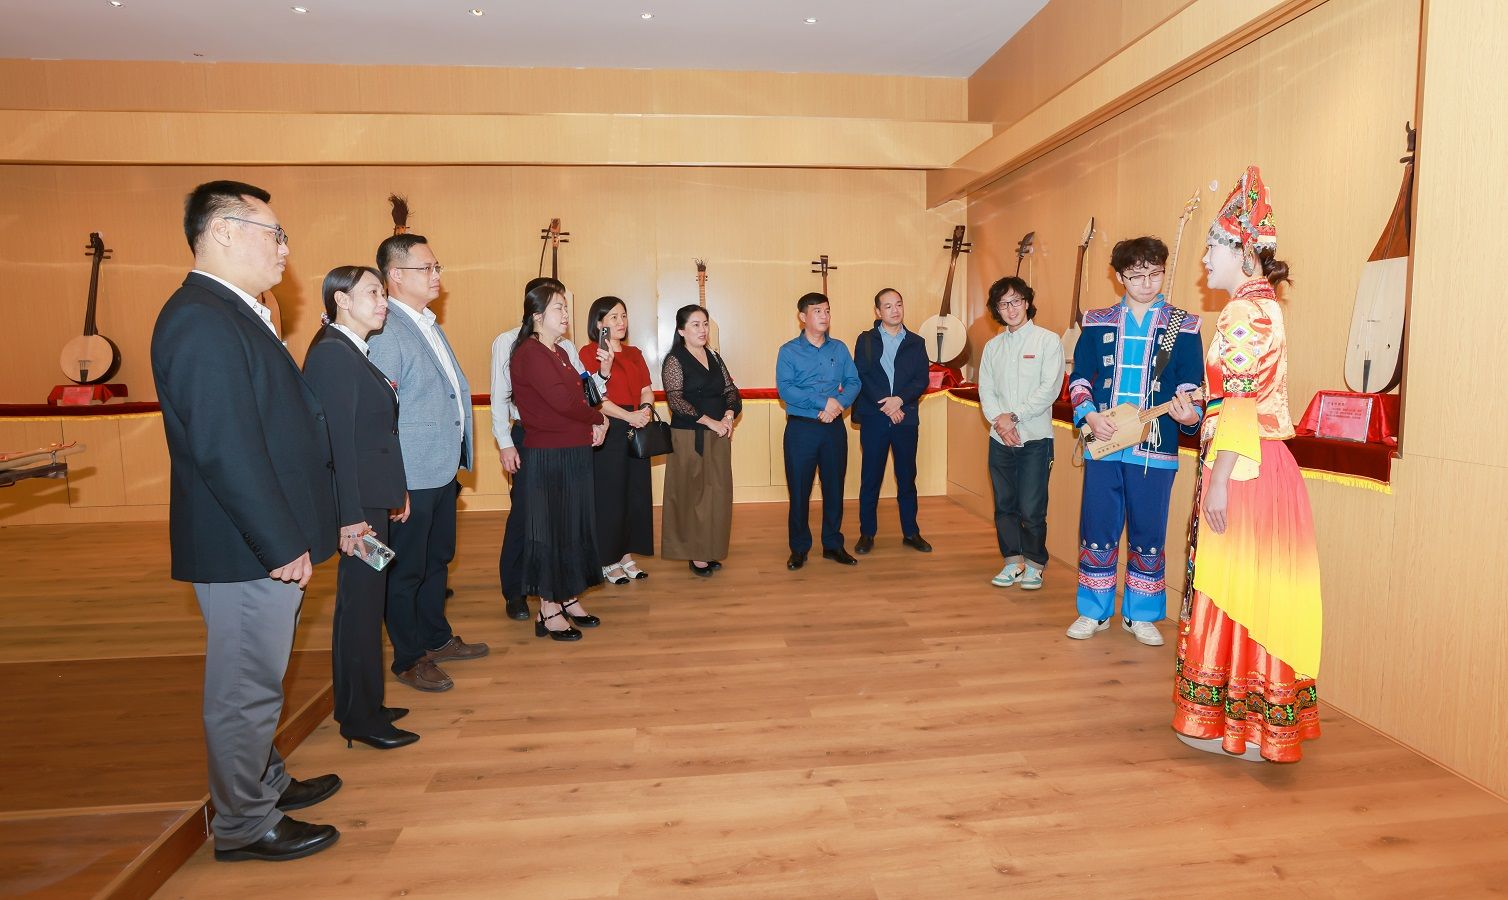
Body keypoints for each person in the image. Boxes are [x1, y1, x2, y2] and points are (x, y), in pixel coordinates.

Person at [150, 180, 341, 862]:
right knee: (243, 689)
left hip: (259, 539)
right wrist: (279, 541)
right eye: (274, 233)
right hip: (246, 546)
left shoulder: (230, 311)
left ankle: (265, 783)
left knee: (260, 678)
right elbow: (225, 447)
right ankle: (242, 824)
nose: (285, 248)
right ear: (224, 231)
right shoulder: (201, 319)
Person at [1173, 166, 1322, 763]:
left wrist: (1218, 483)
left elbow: (1240, 402)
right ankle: (1251, 723)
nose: (1204, 258)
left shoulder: (1244, 313)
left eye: (1211, 247)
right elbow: (1237, 395)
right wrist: (1199, 406)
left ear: (1241, 251)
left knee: (1235, 588)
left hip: (1245, 470)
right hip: (1254, 461)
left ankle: (1232, 724)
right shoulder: (1259, 308)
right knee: (1254, 590)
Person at [302, 266, 420, 751]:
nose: (383, 301)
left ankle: (365, 703)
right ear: (341, 300)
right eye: (373, 292)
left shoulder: (351, 350)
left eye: (382, 293)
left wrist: (395, 490)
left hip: (370, 502)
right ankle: (359, 717)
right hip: (359, 513)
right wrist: (350, 517)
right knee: (360, 609)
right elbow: (337, 446)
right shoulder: (333, 355)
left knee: (366, 605)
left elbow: (375, 436)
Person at [1066, 235, 1204, 646]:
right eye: (1136, 275)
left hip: (1156, 446)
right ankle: (1094, 610)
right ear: (1120, 277)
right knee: (1097, 526)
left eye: (1155, 274)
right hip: (1105, 441)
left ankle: (1140, 614)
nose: (1146, 283)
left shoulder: (1183, 324)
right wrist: (1089, 415)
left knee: (1149, 530)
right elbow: (1080, 377)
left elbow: (1191, 384)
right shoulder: (1097, 320)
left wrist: (1190, 414)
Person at [368, 232, 487, 693]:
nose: (437, 275)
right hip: (411, 477)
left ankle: (436, 637)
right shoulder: (387, 330)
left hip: (440, 468)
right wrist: (393, 485)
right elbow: (381, 417)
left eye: (437, 267)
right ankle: (408, 657)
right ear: (395, 275)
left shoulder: (427, 324)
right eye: (427, 268)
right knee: (405, 570)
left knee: (437, 560)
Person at [490, 278, 611, 620]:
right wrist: (505, 442)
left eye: (566, 305)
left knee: (566, 525)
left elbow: (585, 393)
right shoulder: (516, 345)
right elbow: (501, 396)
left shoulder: (563, 348)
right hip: (532, 438)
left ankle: (566, 595)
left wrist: (603, 373)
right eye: (559, 306)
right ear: (537, 311)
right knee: (529, 521)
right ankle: (519, 593)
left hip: (569, 440)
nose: (566, 313)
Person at [978, 276, 1064, 590]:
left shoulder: (1047, 341)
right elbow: (986, 390)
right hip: (999, 438)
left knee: (1031, 507)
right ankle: (1012, 561)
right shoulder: (992, 347)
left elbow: (1049, 389)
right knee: (1004, 505)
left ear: (1026, 302)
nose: (1011, 308)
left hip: (1035, 438)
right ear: (996, 310)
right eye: (1003, 304)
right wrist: (1000, 423)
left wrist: (1014, 417)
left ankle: (1035, 564)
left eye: (1016, 301)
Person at [776, 292, 861, 570]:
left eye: (827, 310)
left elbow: (854, 382)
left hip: (833, 428)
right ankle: (799, 548)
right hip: (801, 429)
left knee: (834, 488)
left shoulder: (839, 348)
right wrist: (823, 403)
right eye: (817, 311)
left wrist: (838, 405)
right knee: (799, 490)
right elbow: (786, 390)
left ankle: (833, 544)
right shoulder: (788, 351)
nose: (824, 316)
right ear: (803, 317)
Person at [661, 305, 742, 575]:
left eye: (705, 323)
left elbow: (730, 389)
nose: (702, 329)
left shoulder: (714, 356)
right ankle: (695, 553)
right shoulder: (674, 360)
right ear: (681, 330)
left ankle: (710, 548)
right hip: (688, 437)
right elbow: (676, 402)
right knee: (691, 495)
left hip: (719, 434)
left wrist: (729, 415)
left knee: (717, 495)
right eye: (695, 324)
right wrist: (711, 422)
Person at [581, 296, 655, 584]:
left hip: (637, 426)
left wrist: (645, 411)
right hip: (608, 428)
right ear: (599, 323)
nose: (621, 322)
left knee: (634, 494)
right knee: (609, 496)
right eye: (613, 317)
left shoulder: (635, 353)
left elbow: (647, 388)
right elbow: (595, 398)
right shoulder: (590, 352)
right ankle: (606, 558)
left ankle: (625, 554)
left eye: (623, 315)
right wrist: (629, 416)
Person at [852, 288, 931, 555]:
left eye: (898, 304)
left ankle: (911, 532)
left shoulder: (917, 342)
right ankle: (866, 533)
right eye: (887, 306)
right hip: (875, 419)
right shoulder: (865, 340)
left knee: (907, 478)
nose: (894, 310)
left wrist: (899, 400)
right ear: (878, 311)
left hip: (905, 418)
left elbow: (921, 379)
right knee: (870, 478)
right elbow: (862, 376)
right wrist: (887, 405)